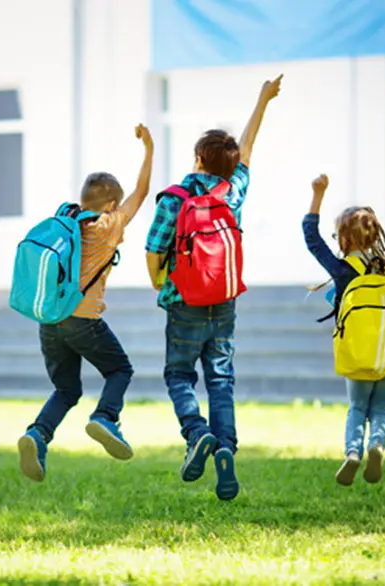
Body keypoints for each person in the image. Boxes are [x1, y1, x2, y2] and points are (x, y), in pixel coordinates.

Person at [145, 75, 283, 500]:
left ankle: (197, 432)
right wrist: (263, 99)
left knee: (178, 375)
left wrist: (160, 284)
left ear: (197, 159)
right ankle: (225, 449)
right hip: (223, 302)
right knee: (220, 379)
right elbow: (249, 146)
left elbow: (154, 250)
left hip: (182, 301)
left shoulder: (175, 197)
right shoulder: (233, 192)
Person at [18, 124, 154, 482]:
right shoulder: (108, 226)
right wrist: (149, 149)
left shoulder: (66, 221)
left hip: (50, 320)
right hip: (84, 320)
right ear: (110, 204)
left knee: (66, 389)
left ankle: (37, 434)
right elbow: (141, 192)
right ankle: (106, 417)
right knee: (120, 370)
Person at [302, 174, 385, 486]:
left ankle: (353, 453)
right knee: (380, 410)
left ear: (344, 239)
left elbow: (311, 237)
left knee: (357, 408)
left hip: (357, 357)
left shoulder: (344, 271)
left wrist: (318, 194)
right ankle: (377, 446)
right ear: (375, 236)